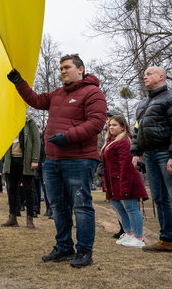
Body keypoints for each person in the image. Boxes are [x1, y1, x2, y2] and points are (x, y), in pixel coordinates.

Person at [8, 53, 107, 268]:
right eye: (60, 68)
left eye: (67, 67)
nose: (62, 71)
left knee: (81, 206)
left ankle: (84, 251)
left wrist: (67, 137)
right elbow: (35, 100)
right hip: (53, 161)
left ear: (80, 69)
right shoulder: (57, 94)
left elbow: (97, 123)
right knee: (58, 207)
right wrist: (19, 83)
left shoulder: (93, 92)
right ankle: (63, 248)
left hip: (79, 160)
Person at [130, 66, 172, 257]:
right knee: (159, 199)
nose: (145, 76)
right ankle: (166, 240)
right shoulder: (143, 103)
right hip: (149, 156)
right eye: (144, 74)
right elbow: (137, 130)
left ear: (161, 76)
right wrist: (136, 152)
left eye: (149, 74)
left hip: (167, 154)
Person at [101, 115, 148, 248]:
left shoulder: (124, 141)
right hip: (113, 182)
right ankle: (129, 233)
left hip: (125, 180)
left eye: (114, 125)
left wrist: (125, 185)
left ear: (123, 127)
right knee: (119, 208)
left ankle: (139, 237)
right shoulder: (110, 141)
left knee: (131, 208)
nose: (111, 127)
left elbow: (126, 165)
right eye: (110, 125)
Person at [1, 118, 40, 229]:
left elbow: (36, 141)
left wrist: (35, 159)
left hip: (25, 162)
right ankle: (13, 217)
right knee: (11, 189)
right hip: (11, 161)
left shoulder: (30, 123)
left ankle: (30, 218)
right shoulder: (9, 123)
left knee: (29, 190)